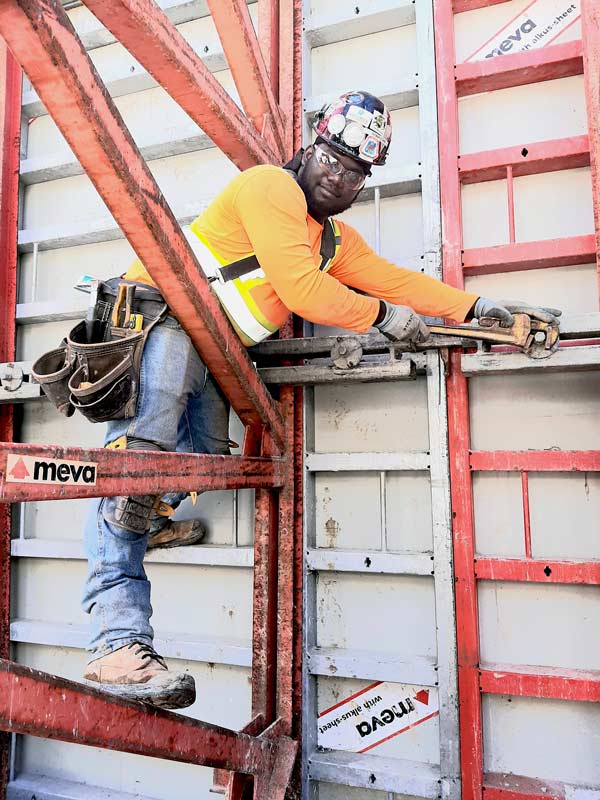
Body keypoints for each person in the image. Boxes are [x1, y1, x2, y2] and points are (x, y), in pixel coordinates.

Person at [81, 91, 560, 709]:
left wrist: (479, 309)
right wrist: (382, 318)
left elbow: (398, 280)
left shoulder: (333, 239)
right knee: (137, 472)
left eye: (357, 170)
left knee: (205, 459)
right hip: (161, 325)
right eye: (334, 158)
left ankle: (141, 524)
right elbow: (303, 290)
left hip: (209, 346)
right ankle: (115, 643)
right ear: (311, 146)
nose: (341, 175)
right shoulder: (267, 189)